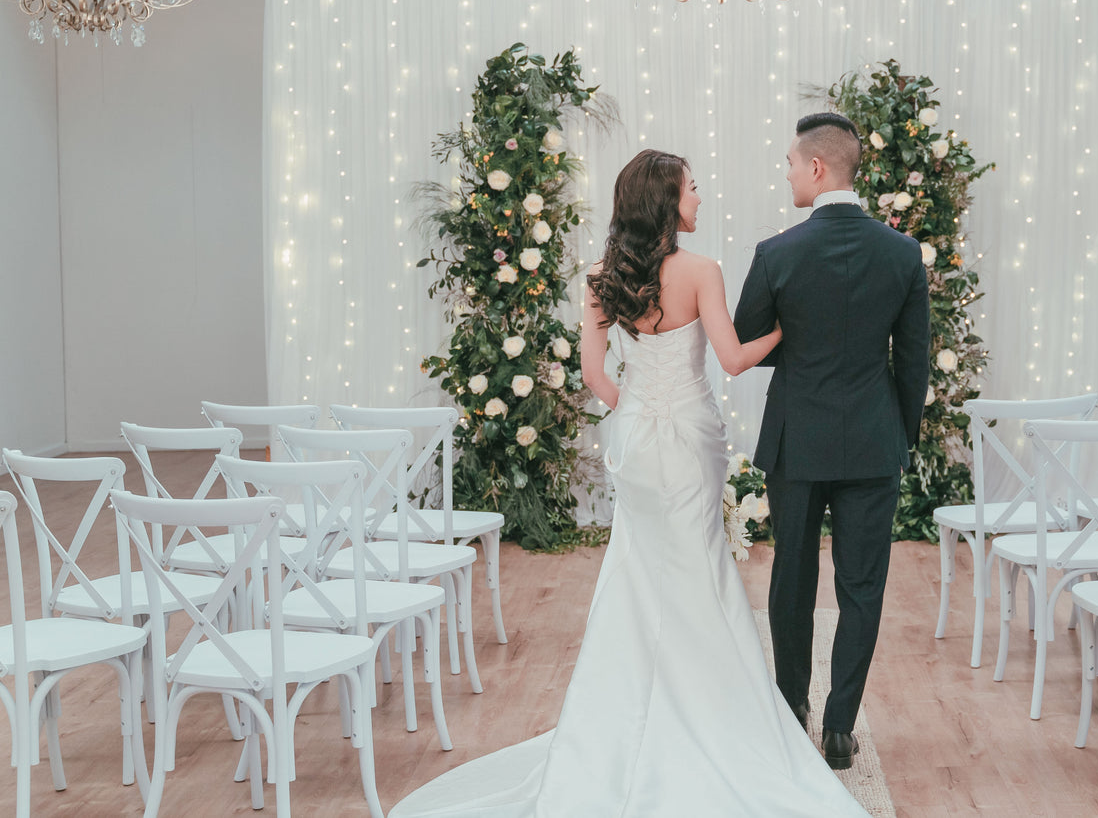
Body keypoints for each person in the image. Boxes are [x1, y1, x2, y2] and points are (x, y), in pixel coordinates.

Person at [388, 149, 870, 817]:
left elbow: (593, 375)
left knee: (638, 565)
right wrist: (788, 329)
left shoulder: (599, 275)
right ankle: (710, 707)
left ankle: (630, 706)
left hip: (639, 442)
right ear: (668, 202)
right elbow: (731, 360)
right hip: (692, 439)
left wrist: (635, 407)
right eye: (692, 190)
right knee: (698, 567)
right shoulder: (702, 270)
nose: (700, 198)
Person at [733, 112, 930, 771]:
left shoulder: (777, 252)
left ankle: (793, 706)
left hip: (797, 440)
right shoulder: (902, 253)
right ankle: (841, 724)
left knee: (791, 575)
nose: (787, 173)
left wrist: (802, 333)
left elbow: (747, 341)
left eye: (790, 163)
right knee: (862, 584)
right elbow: (914, 361)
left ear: (817, 169)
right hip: (874, 439)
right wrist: (897, 437)